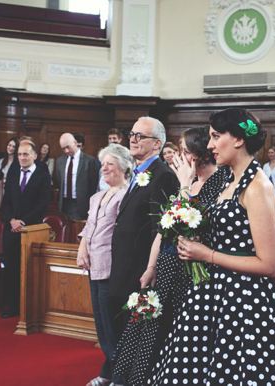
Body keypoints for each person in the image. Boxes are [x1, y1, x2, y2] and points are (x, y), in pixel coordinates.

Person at [150, 108, 275, 385]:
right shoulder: (229, 181)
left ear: (239, 140)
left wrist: (206, 254)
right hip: (213, 292)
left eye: (216, 136)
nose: (209, 145)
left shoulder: (257, 187)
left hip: (244, 302)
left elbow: (269, 265)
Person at [113, 126, 229, 385]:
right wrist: (151, 266)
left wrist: (185, 185)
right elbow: (164, 229)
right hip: (164, 266)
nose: (177, 157)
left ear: (201, 155)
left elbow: (189, 231)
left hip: (189, 274)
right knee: (146, 329)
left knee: (172, 336)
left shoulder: (218, 185)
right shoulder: (188, 183)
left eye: (185, 152)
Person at [110, 117, 180, 384]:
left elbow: (159, 230)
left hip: (139, 272)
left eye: (141, 136)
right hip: (124, 268)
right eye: (132, 134)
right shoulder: (138, 171)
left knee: (137, 341)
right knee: (122, 336)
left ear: (158, 144)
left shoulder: (163, 176)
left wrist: (151, 271)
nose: (133, 139)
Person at [78, 144, 134, 386]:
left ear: (125, 166)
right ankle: (109, 371)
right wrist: (82, 249)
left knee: (113, 327)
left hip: (112, 270)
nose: (105, 168)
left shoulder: (127, 195)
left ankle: (120, 378)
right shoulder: (97, 197)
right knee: (101, 327)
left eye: (110, 163)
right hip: (93, 267)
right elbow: (88, 228)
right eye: (103, 164)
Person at [1, 142, 51, 318]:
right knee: (12, 268)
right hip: (11, 228)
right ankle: (13, 306)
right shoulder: (13, 171)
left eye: (26, 155)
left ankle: (30, 308)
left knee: (30, 269)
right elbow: (6, 201)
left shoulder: (43, 176)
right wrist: (12, 220)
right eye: (20, 154)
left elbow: (42, 205)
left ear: (35, 156)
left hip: (32, 229)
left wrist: (23, 223)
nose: (22, 157)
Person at [56, 133, 99, 220]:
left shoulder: (90, 161)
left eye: (68, 147)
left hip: (80, 204)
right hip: (64, 204)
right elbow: (60, 182)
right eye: (63, 148)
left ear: (75, 143)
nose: (66, 151)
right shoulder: (60, 161)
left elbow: (93, 186)